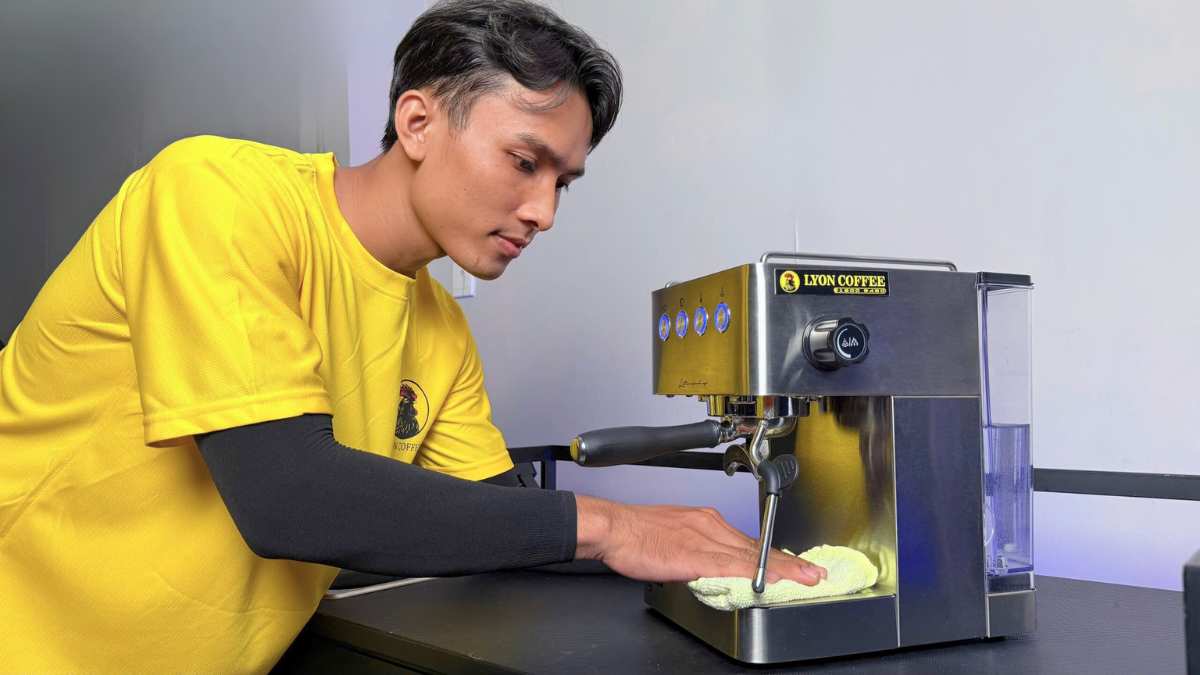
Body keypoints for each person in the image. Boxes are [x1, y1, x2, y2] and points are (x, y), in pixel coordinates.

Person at [0, 0, 825, 671]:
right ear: (419, 122)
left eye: (563, 182)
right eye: (525, 161)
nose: (544, 211)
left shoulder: (440, 328)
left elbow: (507, 519)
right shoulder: (216, 195)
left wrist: (680, 542)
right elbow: (287, 495)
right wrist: (615, 524)